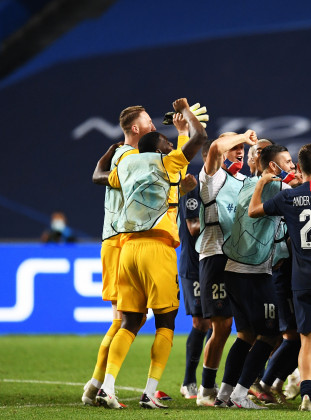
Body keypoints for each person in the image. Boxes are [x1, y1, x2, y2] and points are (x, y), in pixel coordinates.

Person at [93, 98, 208, 409]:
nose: (171, 146)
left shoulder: (127, 163)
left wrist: (107, 154)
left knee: (129, 321)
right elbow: (199, 140)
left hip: (128, 249)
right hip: (157, 249)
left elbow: (103, 175)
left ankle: (107, 386)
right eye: (167, 143)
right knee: (166, 322)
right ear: (160, 150)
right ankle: (150, 391)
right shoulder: (167, 162)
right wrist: (184, 113)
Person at [249, 143, 311, 411]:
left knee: (307, 340)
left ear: (300, 168)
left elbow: (253, 210)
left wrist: (261, 183)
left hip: (302, 280)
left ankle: (306, 395)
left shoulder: (288, 197)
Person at [81, 105, 156, 407]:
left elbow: (98, 175)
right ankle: (97, 385)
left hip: (123, 241)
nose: (152, 126)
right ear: (135, 129)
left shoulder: (121, 154)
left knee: (131, 319)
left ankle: (96, 384)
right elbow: (100, 177)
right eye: (148, 122)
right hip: (119, 241)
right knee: (125, 319)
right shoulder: (129, 157)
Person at [218, 144, 294, 409]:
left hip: (234, 271)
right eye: (287, 161)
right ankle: (240, 395)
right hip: (254, 273)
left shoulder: (248, 184)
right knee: (270, 334)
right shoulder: (278, 187)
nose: (292, 166)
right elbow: (305, 187)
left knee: (246, 335)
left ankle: (224, 394)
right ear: (273, 167)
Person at [194, 131, 258, 407]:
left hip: (240, 259)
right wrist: (241, 135)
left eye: (242, 148)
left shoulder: (244, 181)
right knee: (221, 327)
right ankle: (205, 390)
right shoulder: (213, 177)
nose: (239, 151)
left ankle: (233, 388)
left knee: (248, 329)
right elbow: (217, 147)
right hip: (215, 255)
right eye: (235, 148)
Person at [178, 153, 211, 399]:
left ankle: (207, 383)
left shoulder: (227, 184)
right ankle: (189, 380)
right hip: (194, 265)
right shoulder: (195, 186)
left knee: (219, 321)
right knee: (201, 322)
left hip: (216, 262)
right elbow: (193, 228)